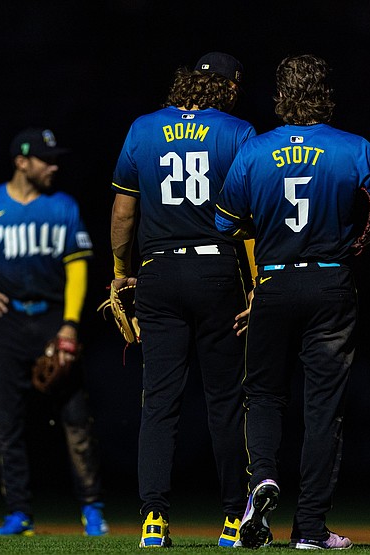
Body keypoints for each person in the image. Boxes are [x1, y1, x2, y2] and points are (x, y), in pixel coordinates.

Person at [215, 54, 370, 550]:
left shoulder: (254, 151)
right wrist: (361, 237)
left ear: (281, 96)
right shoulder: (353, 147)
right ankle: (310, 529)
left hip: (274, 284)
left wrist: (264, 226)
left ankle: (263, 477)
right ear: (326, 94)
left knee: (263, 395)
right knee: (323, 409)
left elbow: (223, 222)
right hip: (330, 283)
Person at [0, 127, 109, 537]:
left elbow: (77, 266)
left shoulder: (62, 206)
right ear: (21, 162)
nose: (54, 166)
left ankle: (92, 508)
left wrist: (70, 324)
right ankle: (18, 512)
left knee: (76, 417)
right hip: (7, 320)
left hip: (53, 318)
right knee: (8, 420)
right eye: (46, 159)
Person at [109, 52, 256, 548]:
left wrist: (120, 273)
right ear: (228, 88)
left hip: (159, 272)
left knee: (159, 403)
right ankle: (234, 520)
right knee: (225, 402)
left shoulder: (143, 128)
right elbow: (249, 220)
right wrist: (257, 284)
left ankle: (153, 519)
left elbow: (124, 213)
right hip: (217, 271)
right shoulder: (238, 131)